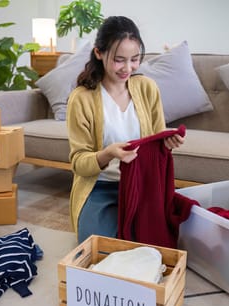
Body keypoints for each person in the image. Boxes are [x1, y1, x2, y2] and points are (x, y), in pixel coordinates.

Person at [67, 16, 184, 244]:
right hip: (100, 187)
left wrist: (168, 143)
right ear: (99, 53)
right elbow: (78, 162)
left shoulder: (147, 88)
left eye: (135, 59)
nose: (127, 68)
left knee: (154, 242)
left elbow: (157, 142)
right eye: (119, 60)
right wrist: (108, 153)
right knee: (100, 247)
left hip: (143, 185)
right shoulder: (80, 99)